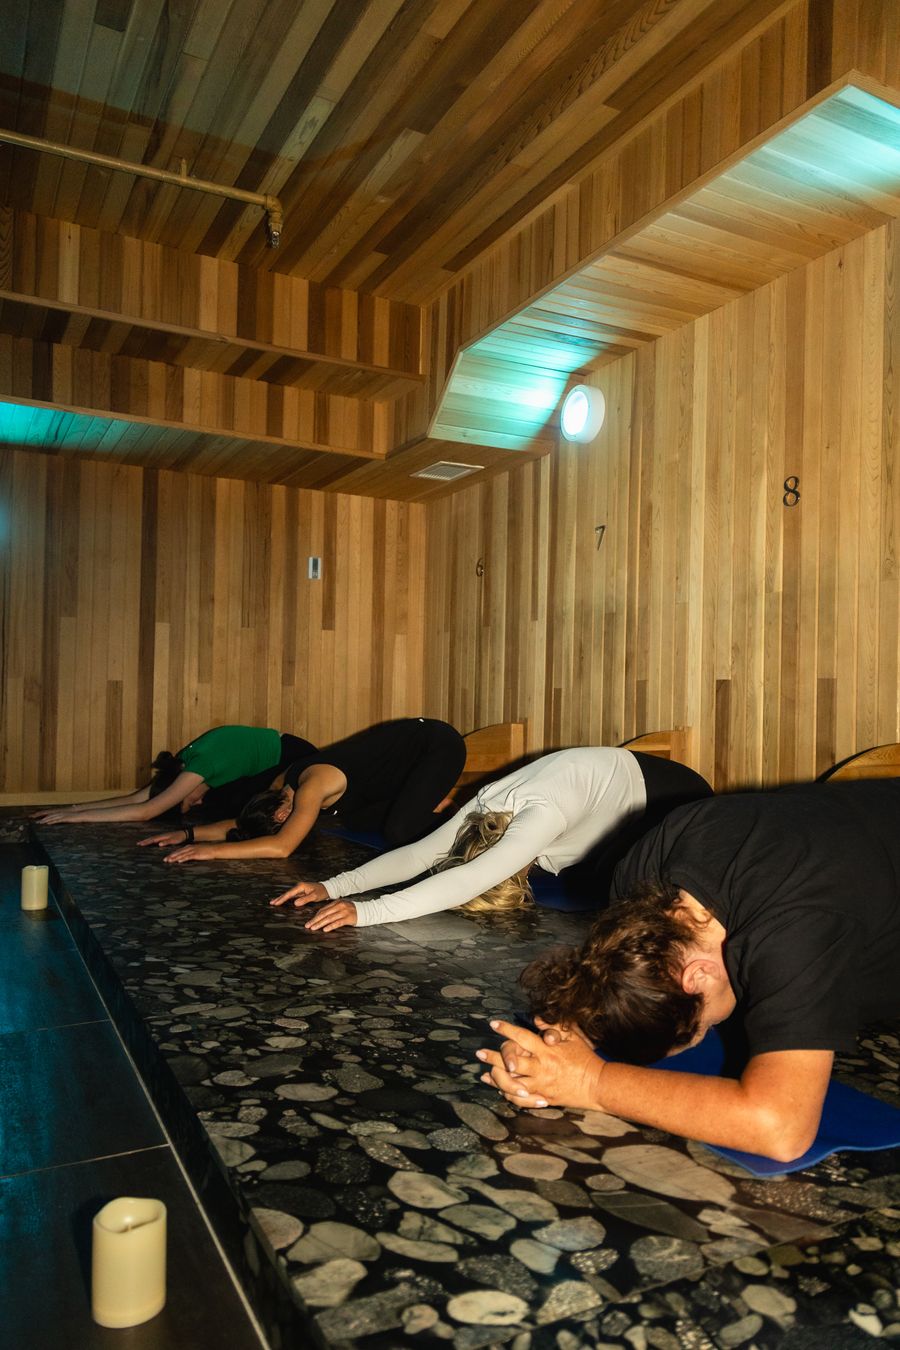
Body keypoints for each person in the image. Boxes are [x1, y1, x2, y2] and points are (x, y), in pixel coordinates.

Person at [477, 779, 900, 1162]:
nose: (711, 1028)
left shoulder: (795, 929)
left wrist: (592, 1083)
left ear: (696, 977)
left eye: (702, 1028)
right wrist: (555, 1049)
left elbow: (779, 1128)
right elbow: (606, 969)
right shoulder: (644, 874)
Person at [271, 746, 712, 932]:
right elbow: (422, 854)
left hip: (681, 801)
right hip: (632, 786)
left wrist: (367, 912)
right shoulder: (488, 804)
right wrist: (332, 886)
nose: (524, 875)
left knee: (617, 893)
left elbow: (469, 879)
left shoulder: (541, 814)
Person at [142, 718, 467, 863]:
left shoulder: (311, 787)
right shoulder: (278, 789)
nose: (292, 822)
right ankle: (432, 806)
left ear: (284, 812)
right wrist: (188, 835)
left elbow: (281, 847)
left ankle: (470, 819)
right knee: (357, 821)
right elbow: (244, 824)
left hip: (436, 745)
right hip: (399, 772)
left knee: (399, 831)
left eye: (286, 820)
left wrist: (211, 852)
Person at [34, 726, 315, 826]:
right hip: (267, 760)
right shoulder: (180, 764)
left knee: (231, 810)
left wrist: (79, 818)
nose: (197, 801)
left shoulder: (202, 765)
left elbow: (146, 810)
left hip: (294, 758)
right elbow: (137, 798)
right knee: (215, 805)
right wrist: (72, 808)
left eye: (189, 801)